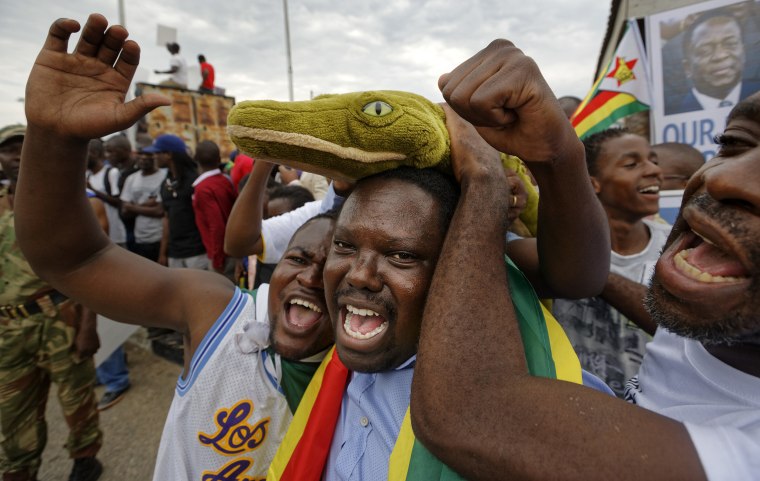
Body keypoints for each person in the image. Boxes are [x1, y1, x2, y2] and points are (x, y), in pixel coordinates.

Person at [412, 42, 760, 481]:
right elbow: (581, 277)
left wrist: (483, 180)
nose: (727, 177)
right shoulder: (729, 311)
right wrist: (559, 154)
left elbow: (470, 409)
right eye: (734, 143)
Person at [16, 14, 341, 480]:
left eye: (340, 266)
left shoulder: (389, 383)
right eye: (298, 257)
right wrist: (54, 138)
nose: (310, 276)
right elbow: (72, 258)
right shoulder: (222, 318)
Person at [0, 124, 103, 481]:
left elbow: (92, 265)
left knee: (76, 397)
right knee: (12, 410)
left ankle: (85, 457)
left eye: (22, 148)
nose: (15, 157)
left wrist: (89, 325)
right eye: (8, 151)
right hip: (8, 329)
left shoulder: (63, 204)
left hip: (59, 317)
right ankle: (20, 466)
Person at [552, 128, 669, 396]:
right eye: (632, 164)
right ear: (593, 183)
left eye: (654, 160)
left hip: (655, 413)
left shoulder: (678, 249)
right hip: (579, 403)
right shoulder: (556, 245)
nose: (653, 170)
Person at [667, 8, 760, 115]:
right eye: (705, 51)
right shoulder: (674, 112)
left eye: (730, 44)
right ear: (687, 68)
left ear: (743, 53)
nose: (720, 56)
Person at [192, 140, 238, 281]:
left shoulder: (203, 188)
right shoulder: (226, 180)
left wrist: (217, 259)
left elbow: (216, 225)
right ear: (219, 159)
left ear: (196, 160)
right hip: (232, 249)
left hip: (221, 254)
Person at [120, 149, 166, 262]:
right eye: (140, 154)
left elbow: (160, 211)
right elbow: (125, 211)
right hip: (140, 238)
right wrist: (147, 204)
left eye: (148, 154)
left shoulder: (164, 175)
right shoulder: (131, 179)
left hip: (160, 237)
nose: (144, 157)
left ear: (155, 156)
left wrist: (132, 207)